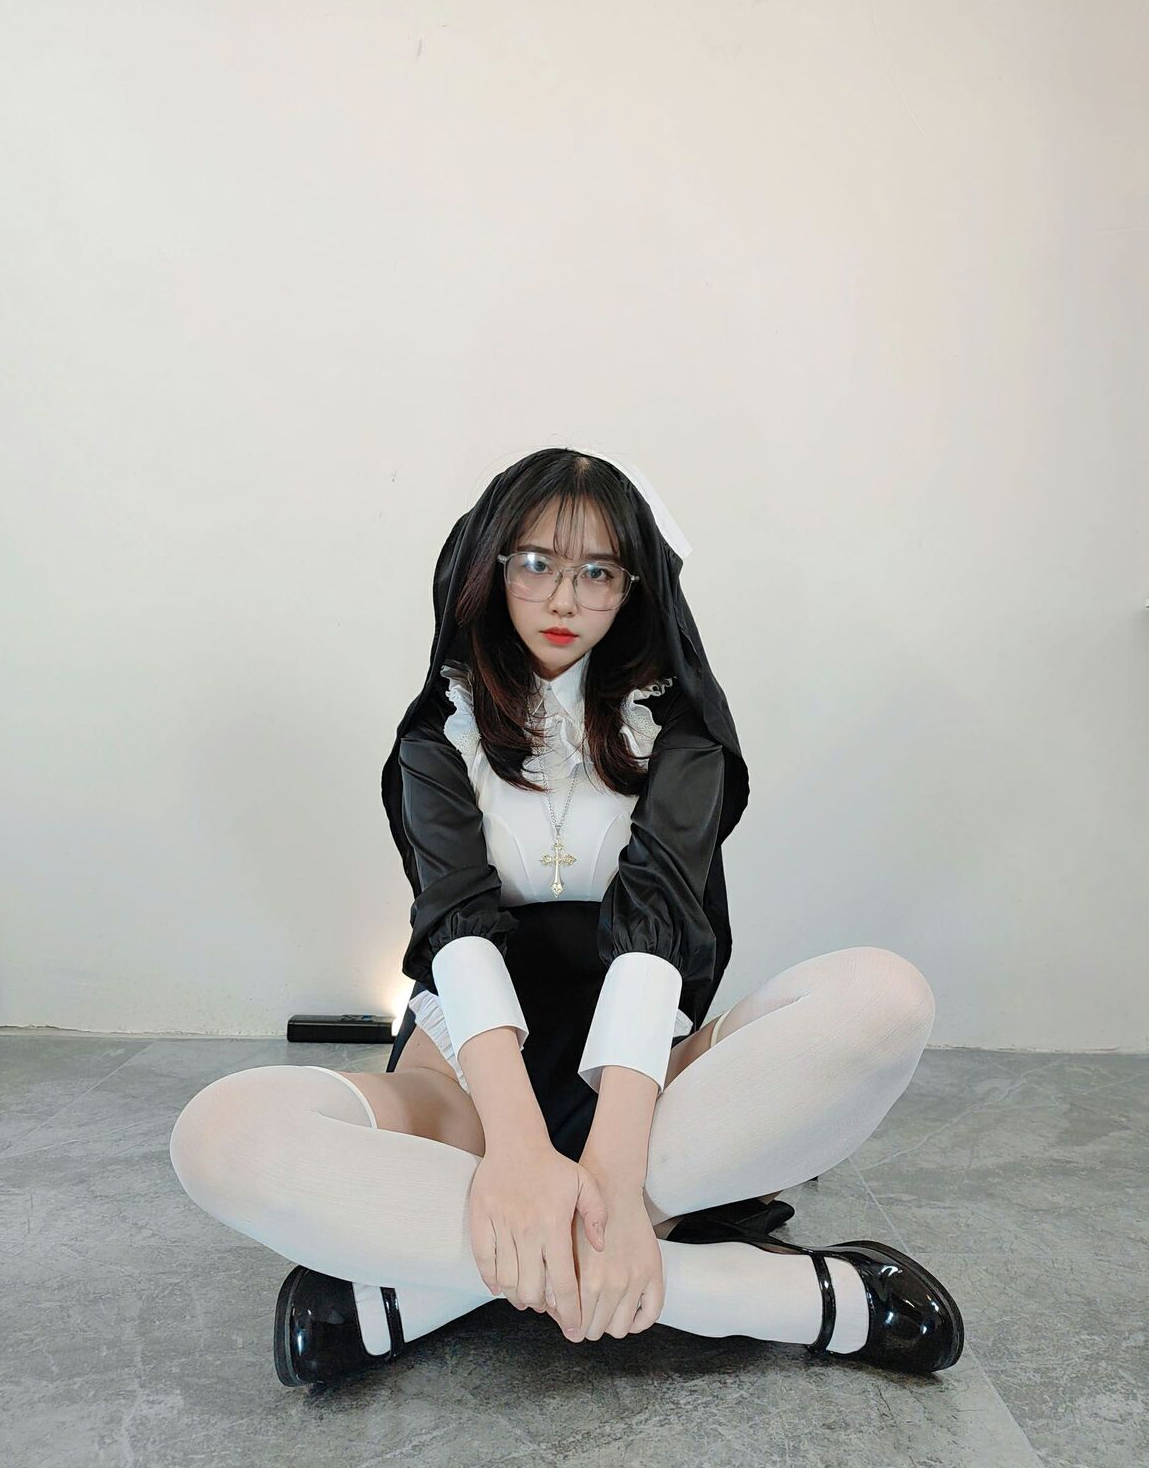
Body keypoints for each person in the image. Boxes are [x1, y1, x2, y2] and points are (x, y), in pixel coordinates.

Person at [169, 445, 964, 1385]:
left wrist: (615, 1169)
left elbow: (656, 932)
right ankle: (773, 1294)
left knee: (886, 998)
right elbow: (459, 929)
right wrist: (514, 1148)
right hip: (469, 1084)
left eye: (597, 573)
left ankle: (420, 1295)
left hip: (643, 1083)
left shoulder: (680, 733)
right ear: (493, 563)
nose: (562, 598)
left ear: (633, 587)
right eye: (538, 563)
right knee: (216, 1136)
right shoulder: (439, 733)